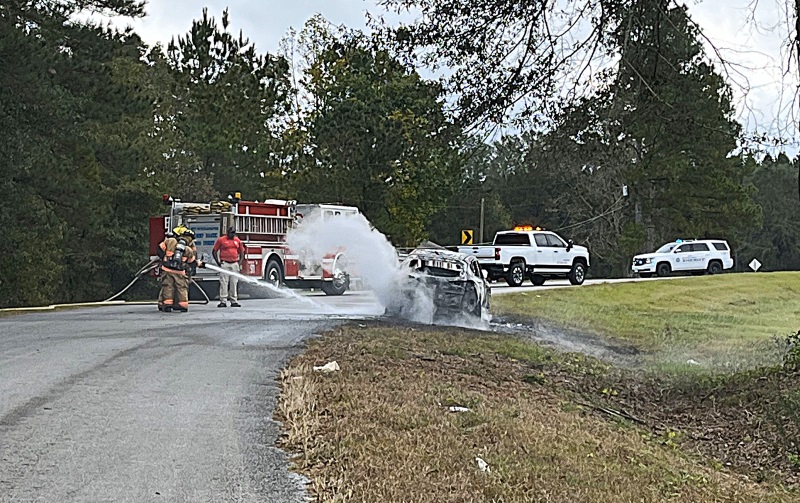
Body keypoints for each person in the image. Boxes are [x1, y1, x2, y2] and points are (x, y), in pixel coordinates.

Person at [158, 226, 203, 312]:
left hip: (167, 270)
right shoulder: (188, 249)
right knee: (182, 288)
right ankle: (183, 306)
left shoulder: (170, 241)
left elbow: (159, 249)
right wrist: (198, 264)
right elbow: (192, 262)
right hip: (180, 272)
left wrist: (164, 258)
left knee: (168, 287)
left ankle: (167, 305)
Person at [212, 226, 245, 308]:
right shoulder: (221, 240)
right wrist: (219, 263)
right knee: (224, 283)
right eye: (231, 233)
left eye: (234, 233)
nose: (232, 235)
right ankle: (223, 301)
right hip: (225, 263)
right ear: (227, 233)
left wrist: (239, 263)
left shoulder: (237, 240)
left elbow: (242, 252)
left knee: (234, 283)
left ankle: (234, 301)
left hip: (234, 264)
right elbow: (214, 251)